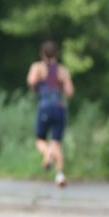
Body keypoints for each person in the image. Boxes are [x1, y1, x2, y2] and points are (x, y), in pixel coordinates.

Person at [27, 41, 75, 187]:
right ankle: (60, 175)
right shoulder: (62, 70)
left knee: (40, 140)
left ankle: (47, 154)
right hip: (60, 109)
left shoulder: (38, 67)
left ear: (42, 53)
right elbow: (70, 92)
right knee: (56, 142)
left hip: (45, 108)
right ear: (57, 53)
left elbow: (31, 82)